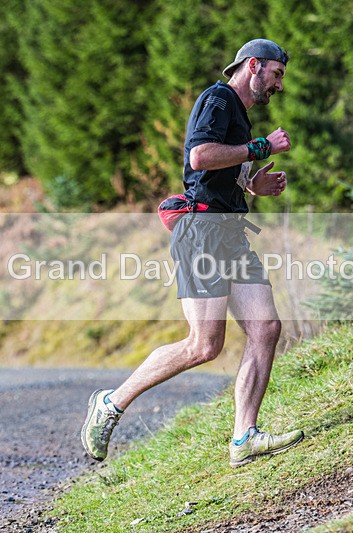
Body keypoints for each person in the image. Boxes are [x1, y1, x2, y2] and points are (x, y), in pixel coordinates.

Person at [81, 39, 303, 468]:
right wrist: (261, 148)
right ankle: (110, 403)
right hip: (201, 232)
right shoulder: (218, 99)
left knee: (267, 328)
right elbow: (200, 157)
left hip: (230, 233)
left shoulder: (237, 114)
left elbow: (219, 172)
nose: (279, 85)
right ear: (253, 66)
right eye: (276, 74)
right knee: (204, 345)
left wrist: (251, 184)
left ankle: (244, 436)